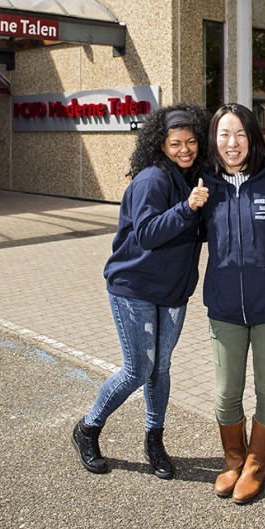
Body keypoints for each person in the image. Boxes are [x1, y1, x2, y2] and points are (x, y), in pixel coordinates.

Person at [71, 103, 210, 479]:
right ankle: (88, 428)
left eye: (191, 142)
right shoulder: (152, 180)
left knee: (160, 368)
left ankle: (154, 439)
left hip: (173, 292)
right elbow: (148, 234)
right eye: (175, 143)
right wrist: (187, 208)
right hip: (135, 289)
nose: (185, 149)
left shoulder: (193, 177)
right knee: (137, 370)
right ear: (160, 145)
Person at [200, 103, 265, 504]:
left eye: (240, 133)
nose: (232, 142)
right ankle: (233, 459)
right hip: (225, 307)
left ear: (253, 137)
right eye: (224, 134)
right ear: (214, 140)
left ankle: (257, 463)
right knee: (226, 393)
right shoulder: (205, 184)